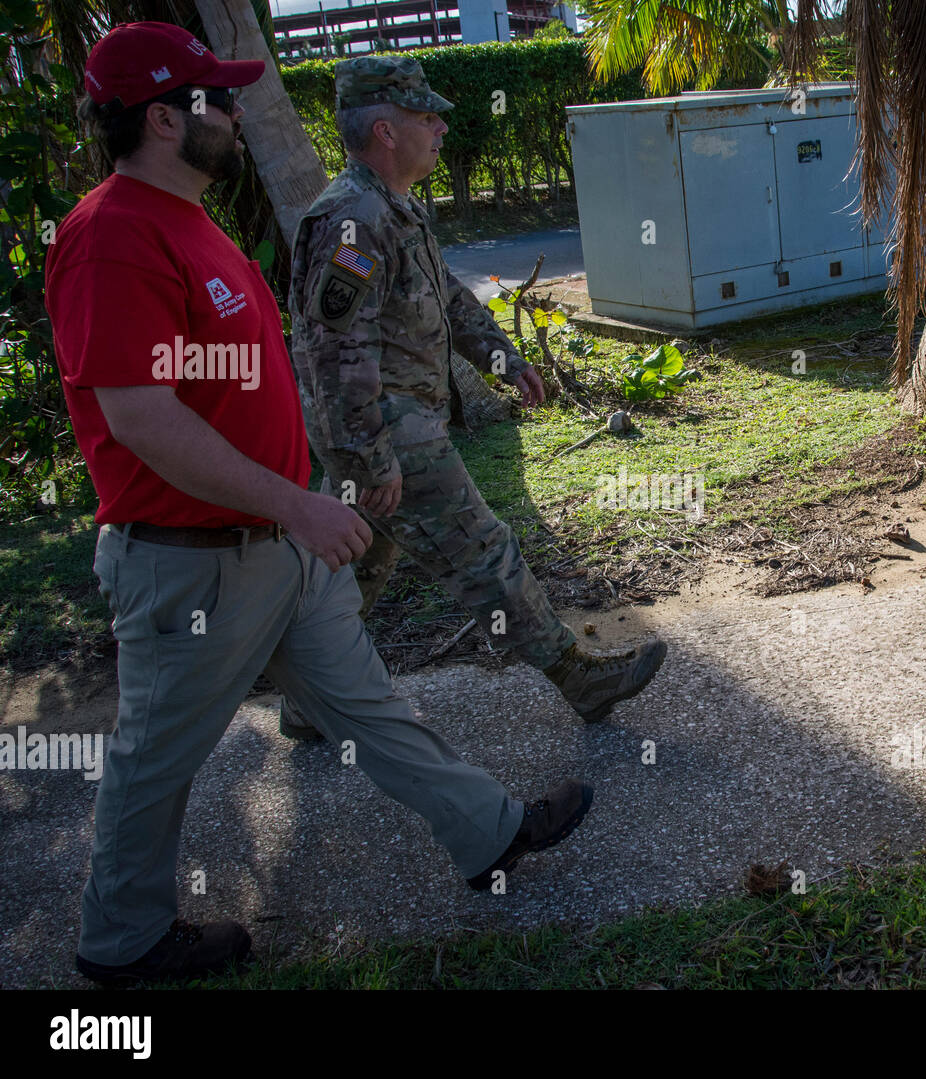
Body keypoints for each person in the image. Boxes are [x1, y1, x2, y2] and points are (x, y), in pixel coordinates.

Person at [46, 21, 592, 988]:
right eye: (218, 99)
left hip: (275, 540)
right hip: (195, 559)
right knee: (153, 762)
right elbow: (138, 415)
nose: (238, 112)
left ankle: (490, 833)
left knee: (375, 708)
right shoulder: (111, 235)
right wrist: (301, 505)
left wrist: (296, 505)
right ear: (165, 119)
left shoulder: (188, 217)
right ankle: (121, 941)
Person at [280, 55, 666, 742]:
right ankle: (580, 679)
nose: (440, 129)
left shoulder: (392, 208)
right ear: (383, 129)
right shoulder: (352, 220)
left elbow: (448, 299)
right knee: (484, 551)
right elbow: (332, 355)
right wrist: (371, 457)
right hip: (386, 430)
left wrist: (502, 358)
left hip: (387, 429)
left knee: (356, 570)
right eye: (425, 117)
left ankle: (308, 700)